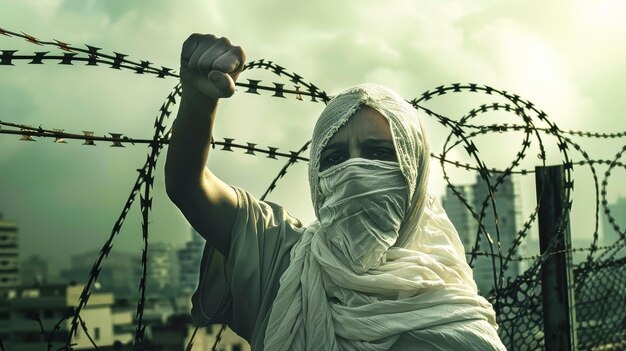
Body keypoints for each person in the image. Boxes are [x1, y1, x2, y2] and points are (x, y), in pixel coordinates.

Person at [165, 34, 507, 351]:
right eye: (335, 158)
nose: (355, 171)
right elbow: (189, 187)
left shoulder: (456, 318)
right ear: (317, 178)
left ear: (415, 172)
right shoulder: (284, 260)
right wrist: (198, 101)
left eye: (379, 153)